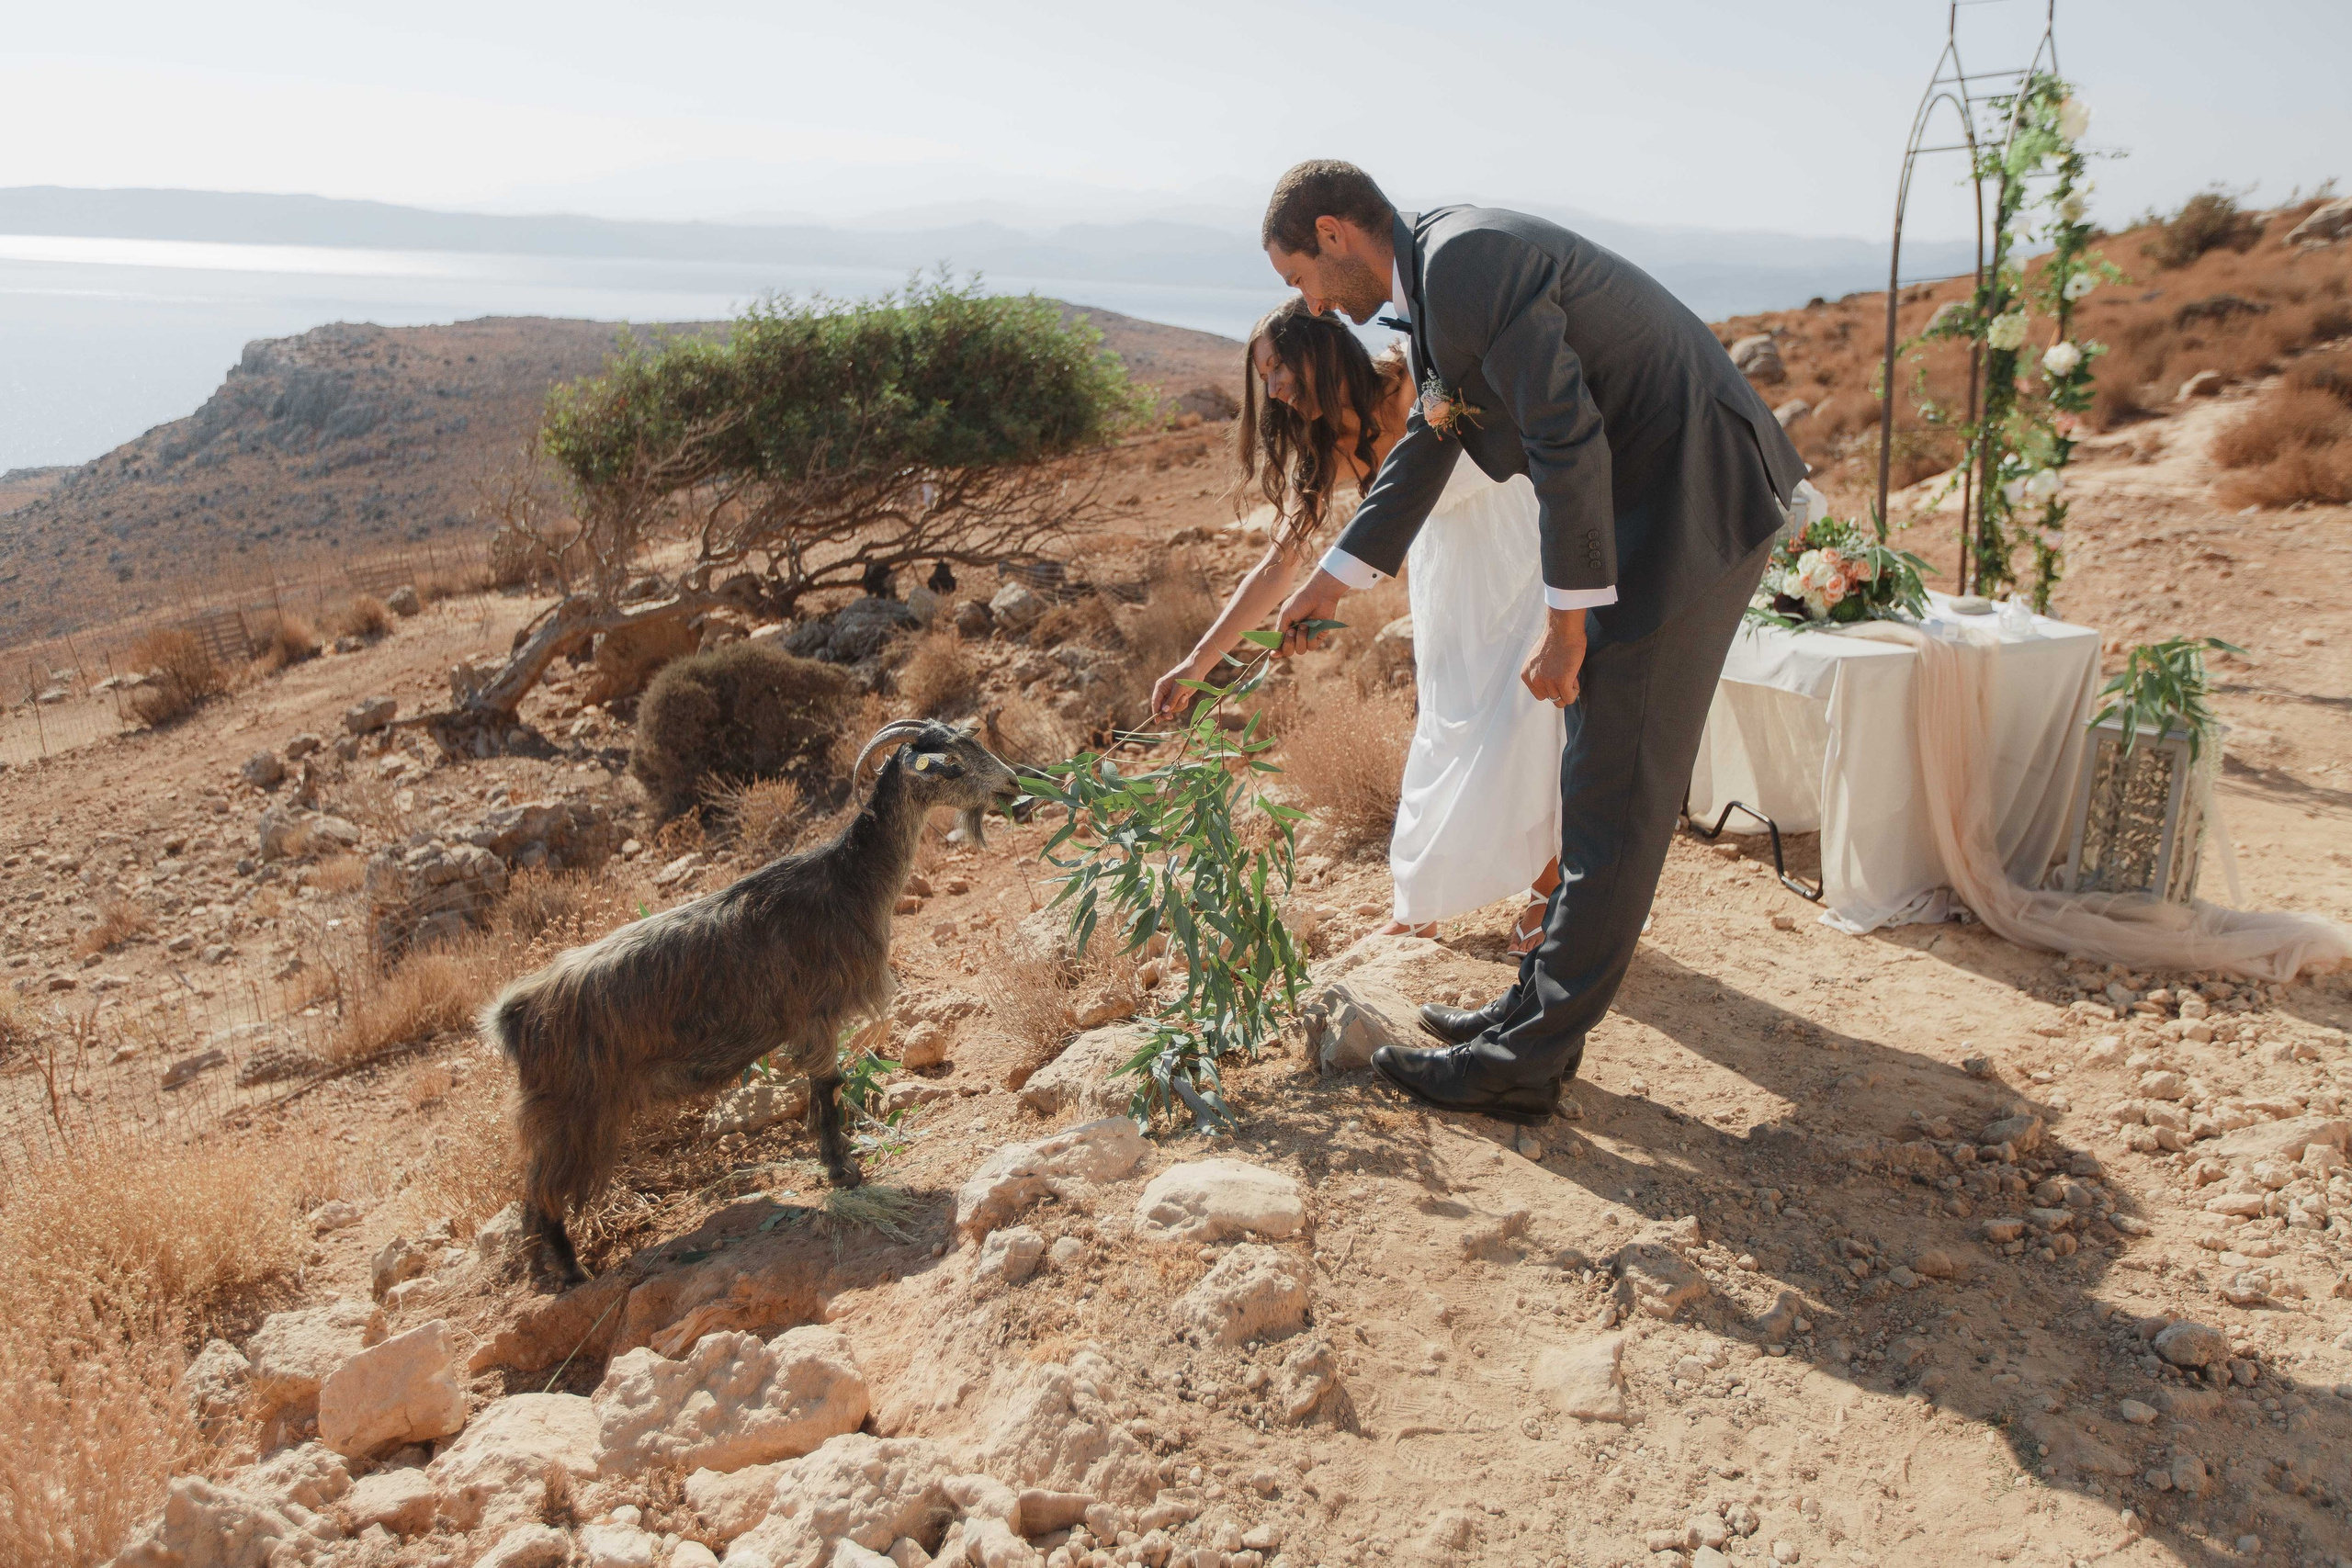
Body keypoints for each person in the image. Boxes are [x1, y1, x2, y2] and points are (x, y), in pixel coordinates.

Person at [1264, 161, 1808, 1125]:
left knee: (1613, 795)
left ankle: (1524, 1062)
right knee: (1593, 779)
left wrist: (1564, 629)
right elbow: (1435, 437)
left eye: (1299, 275)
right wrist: (1333, 579)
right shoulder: (1438, 276)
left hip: (1694, 497)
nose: (1309, 303)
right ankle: (1528, 1013)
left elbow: (1565, 440)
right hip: (1656, 501)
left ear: (1334, 233)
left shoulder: (1463, 262)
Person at [1148, 299, 1566, 952]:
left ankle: (1551, 890)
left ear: (1319, 350)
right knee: (1446, 728)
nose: (1273, 389)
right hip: (1450, 582)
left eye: (1278, 367)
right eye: (1263, 378)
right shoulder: (1326, 450)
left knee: (1527, 723)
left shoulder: (1412, 377)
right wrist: (1198, 662)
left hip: (1519, 554)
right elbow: (1277, 566)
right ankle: (1420, 905)